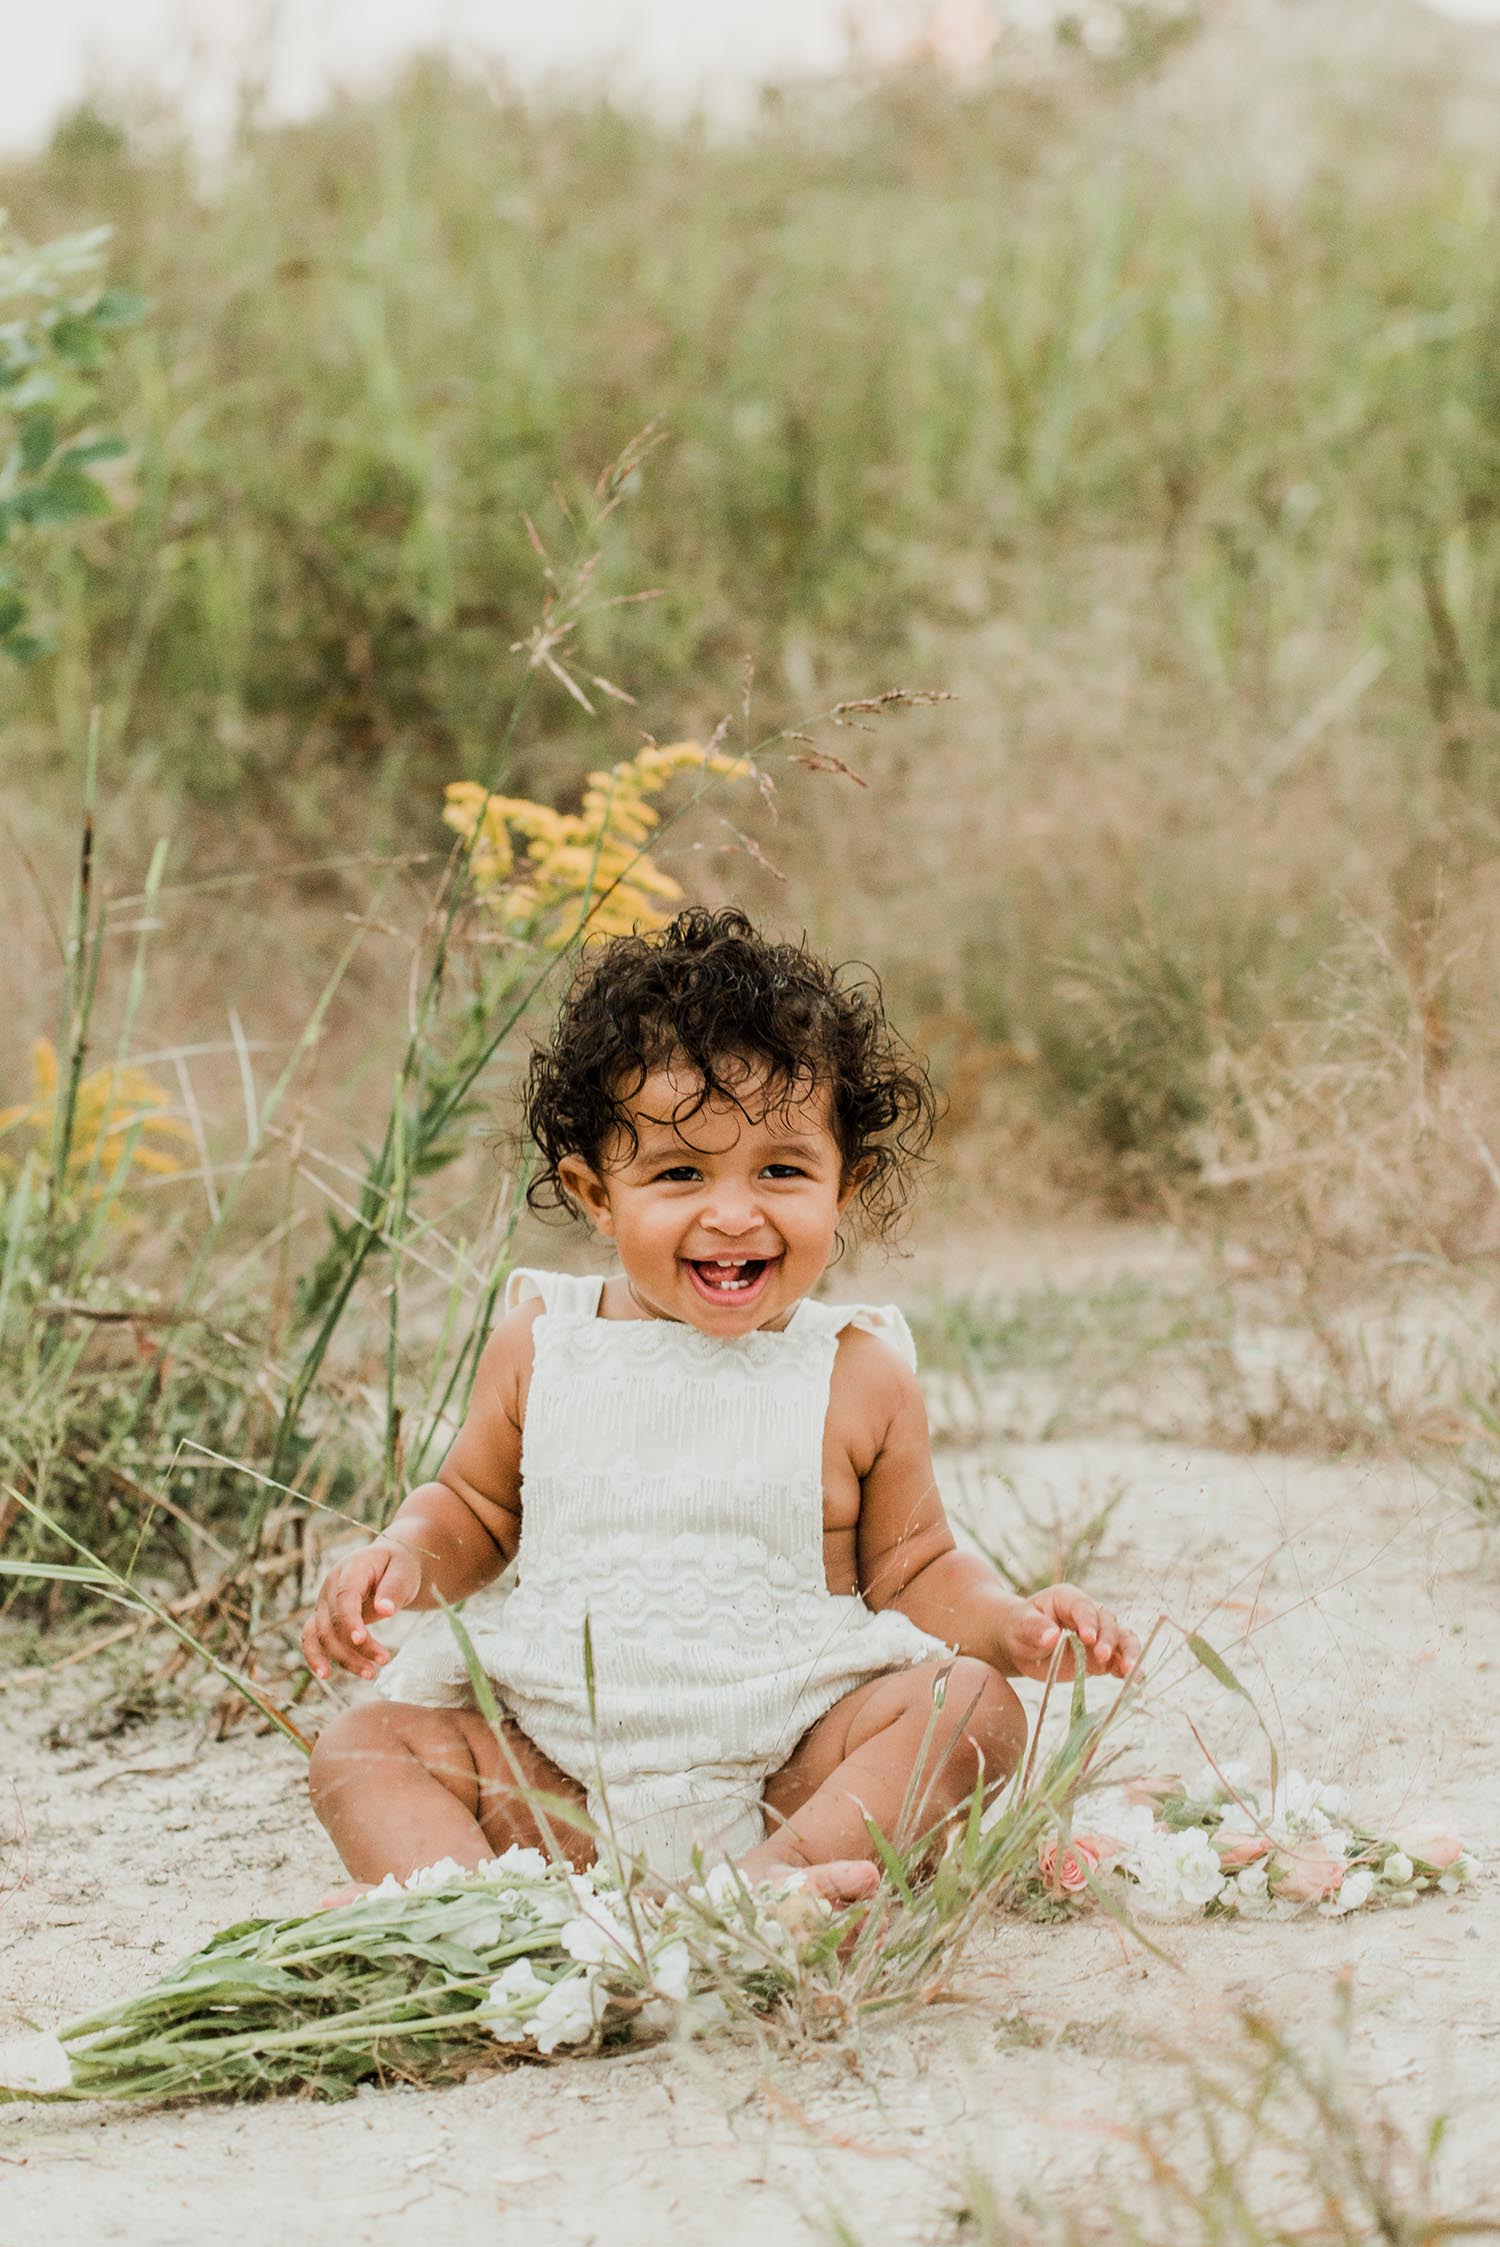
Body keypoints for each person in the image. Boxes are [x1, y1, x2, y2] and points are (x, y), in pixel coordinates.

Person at [303, 908, 1136, 1904]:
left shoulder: (855, 1369)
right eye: (679, 1173)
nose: (734, 1213)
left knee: (973, 1709)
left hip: (791, 1766)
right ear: (596, 1194)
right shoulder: (545, 1342)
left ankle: (764, 1894)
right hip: (557, 1777)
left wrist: (1011, 1627)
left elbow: (915, 1565)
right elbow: (475, 1512)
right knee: (363, 1745)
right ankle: (495, 1925)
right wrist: (400, 1556)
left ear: (845, 1184)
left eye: (781, 1170)